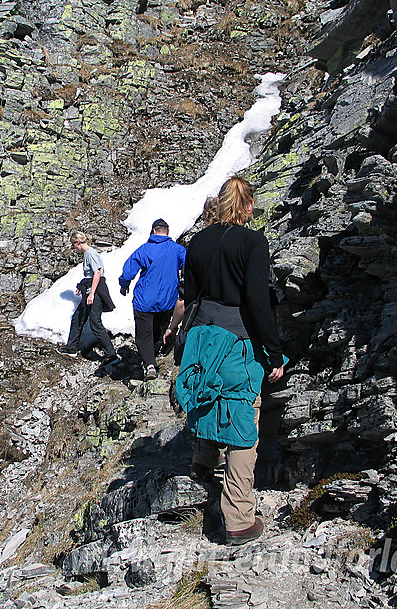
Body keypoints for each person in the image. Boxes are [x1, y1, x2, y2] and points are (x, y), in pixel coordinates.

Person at [173, 176, 285, 546]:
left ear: (220, 204)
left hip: (202, 336)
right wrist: (272, 351)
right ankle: (238, 518)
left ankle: (202, 463)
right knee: (241, 422)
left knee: (206, 394)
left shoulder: (198, 240)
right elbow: (257, 301)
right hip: (238, 338)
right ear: (249, 206)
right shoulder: (253, 242)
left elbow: (188, 295)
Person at [118, 218, 186, 380]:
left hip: (145, 300)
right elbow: (189, 266)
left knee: (143, 334)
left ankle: (149, 364)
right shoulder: (178, 249)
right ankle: (158, 352)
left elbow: (129, 270)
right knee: (160, 328)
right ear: (167, 232)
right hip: (167, 300)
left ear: (154, 231)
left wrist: (124, 284)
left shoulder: (145, 249)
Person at [60, 230, 118, 365]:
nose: (73, 248)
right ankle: (71, 348)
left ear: (78, 242)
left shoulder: (91, 253)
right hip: (89, 290)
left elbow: (97, 273)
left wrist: (91, 293)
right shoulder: (87, 254)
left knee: (95, 323)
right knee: (78, 318)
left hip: (95, 292)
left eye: (73, 244)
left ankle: (111, 354)